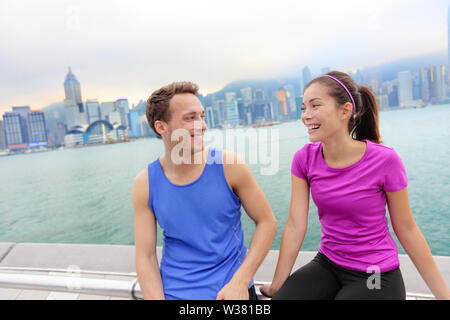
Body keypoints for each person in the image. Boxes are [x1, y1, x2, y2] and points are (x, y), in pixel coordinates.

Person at [260, 71, 450, 300]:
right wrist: (276, 286)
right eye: (303, 108)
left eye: (315, 105)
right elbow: (294, 226)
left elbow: (407, 229)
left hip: (375, 273)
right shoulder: (304, 159)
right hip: (328, 264)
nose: (306, 116)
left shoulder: (385, 161)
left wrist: (444, 295)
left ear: (345, 110)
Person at [132, 81, 277, 300]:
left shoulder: (229, 166)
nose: (201, 125)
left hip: (231, 294)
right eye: (190, 118)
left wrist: (239, 283)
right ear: (161, 127)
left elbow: (267, 222)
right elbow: (146, 256)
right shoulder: (145, 183)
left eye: (202, 116)